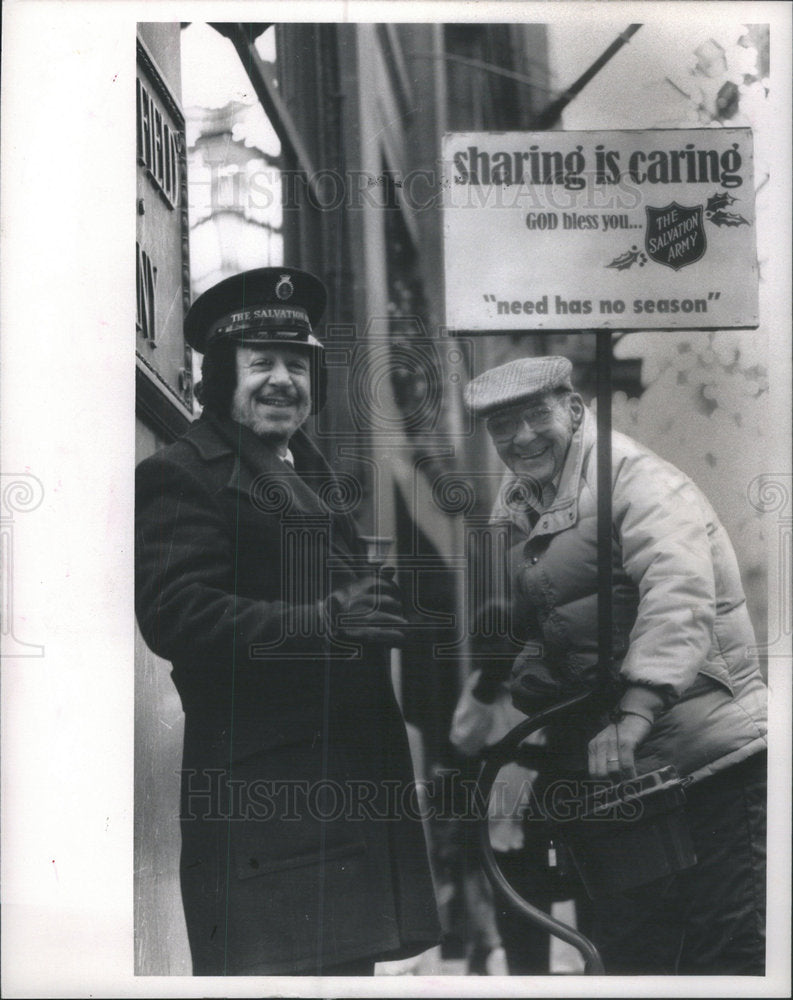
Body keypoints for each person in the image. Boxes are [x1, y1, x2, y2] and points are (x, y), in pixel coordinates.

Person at [135, 267, 440, 976]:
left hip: (331, 806)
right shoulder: (184, 473)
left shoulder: (305, 469)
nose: (282, 381)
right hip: (264, 814)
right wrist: (329, 620)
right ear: (219, 377)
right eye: (260, 363)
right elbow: (176, 614)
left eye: (297, 365)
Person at [462, 355, 767, 975]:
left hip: (704, 760)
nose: (520, 437)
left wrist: (636, 711)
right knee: (633, 958)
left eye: (535, 415)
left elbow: (679, 594)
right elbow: (545, 626)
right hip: (623, 777)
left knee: (722, 953)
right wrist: (530, 686)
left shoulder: (635, 478)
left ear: (574, 410)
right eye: (502, 426)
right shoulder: (519, 502)